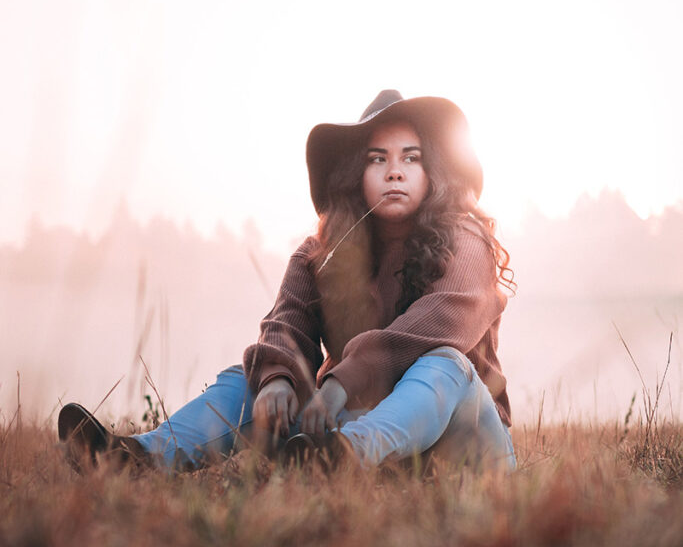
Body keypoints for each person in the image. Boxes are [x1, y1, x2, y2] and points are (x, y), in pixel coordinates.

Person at [58, 90, 515, 474]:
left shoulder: (466, 240)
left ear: (434, 170)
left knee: (444, 362)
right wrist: (277, 377)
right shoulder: (322, 252)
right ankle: (136, 458)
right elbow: (287, 322)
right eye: (378, 159)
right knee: (253, 379)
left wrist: (341, 382)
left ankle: (343, 457)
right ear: (356, 174)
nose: (394, 171)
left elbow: (439, 322)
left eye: (410, 158)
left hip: (464, 448)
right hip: (374, 441)